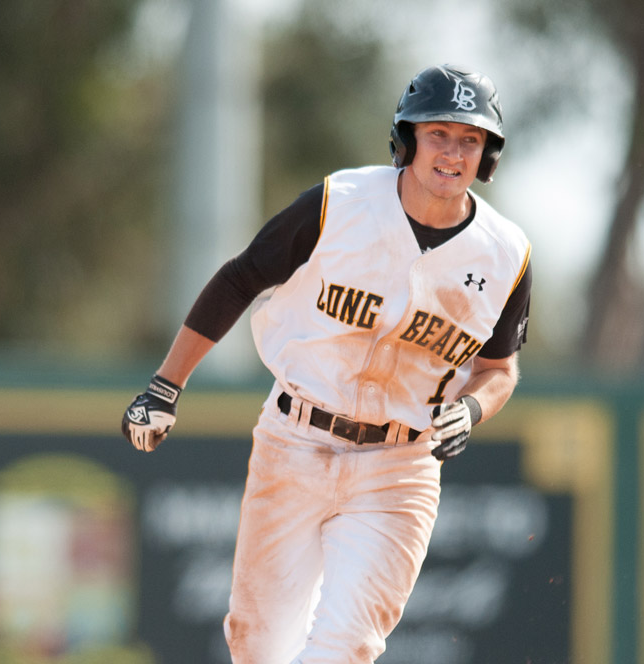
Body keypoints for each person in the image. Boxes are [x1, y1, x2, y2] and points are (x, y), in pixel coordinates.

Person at [121, 64, 532, 664]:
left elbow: (499, 368)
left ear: (487, 155)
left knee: (348, 646)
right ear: (407, 138)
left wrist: (472, 409)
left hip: (400, 463)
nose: (452, 151)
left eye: (469, 139)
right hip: (295, 437)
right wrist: (165, 385)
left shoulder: (505, 255)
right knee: (256, 644)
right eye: (438, 133)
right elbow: (240, 279)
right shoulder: (340, 203)